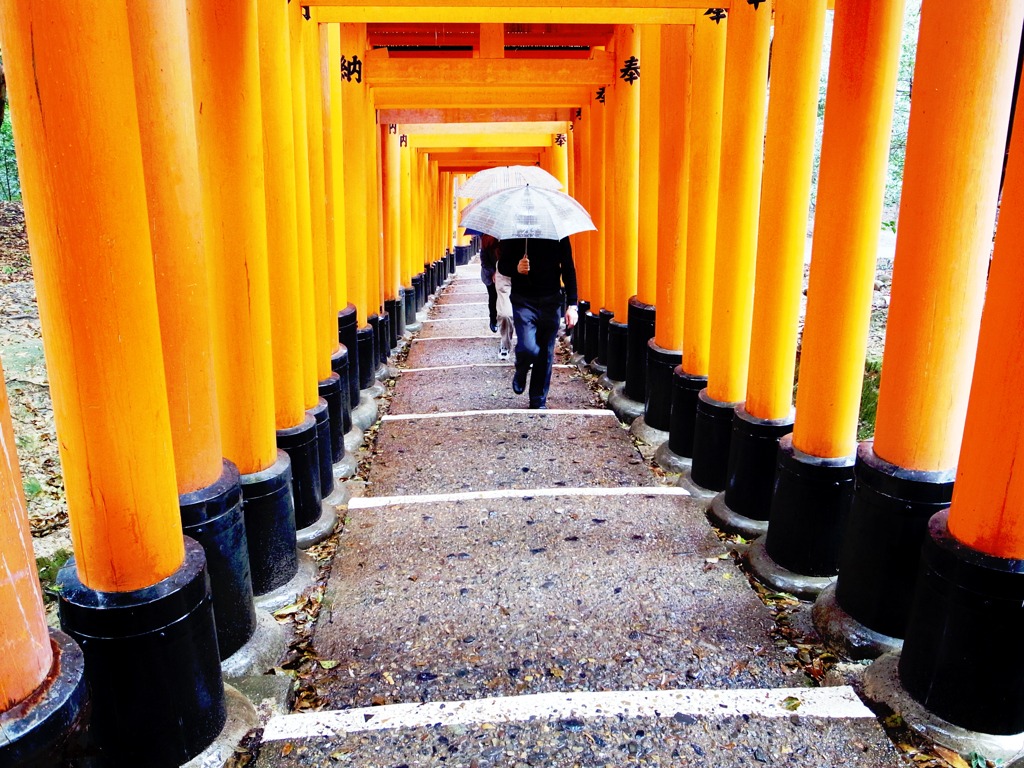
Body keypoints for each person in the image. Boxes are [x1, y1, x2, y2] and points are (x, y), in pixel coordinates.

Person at [497, 236, 578, 409]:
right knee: (528, 346)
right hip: (524, 300)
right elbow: (502, 265)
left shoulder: (557, 235)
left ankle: (538, 400)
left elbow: (568, 266)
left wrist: (573, 304)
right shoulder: (514, 234)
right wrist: (516, 267)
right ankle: (521, 366)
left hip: (552, 300)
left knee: (545, 352)